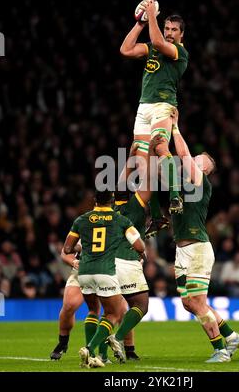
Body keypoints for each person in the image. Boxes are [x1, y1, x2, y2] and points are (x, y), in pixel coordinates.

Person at [170, 109, 239, 363]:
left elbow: (181, 154)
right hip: (181, 250)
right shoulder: (180, 184)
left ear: (205, 171)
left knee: (198, 302)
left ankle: (220, 350)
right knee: (188, 303)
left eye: (198, 161)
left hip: (198, 248)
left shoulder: (201, 182)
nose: (192, 161)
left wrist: (174, 127)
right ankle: (231, 336)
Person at [120, 0, 189, 234]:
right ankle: (158, 216)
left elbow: (159, 42)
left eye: (173, 30)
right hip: (143, 108)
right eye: (167, 28)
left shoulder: (179, 52)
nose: (169, 33)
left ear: (181, 35)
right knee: (144, 163)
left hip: (163, 105)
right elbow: (126, 50)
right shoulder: (151, 48)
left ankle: (175, 194)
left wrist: (152, 15)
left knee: (160, 146)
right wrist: (140, 22)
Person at [62, 189, 145, 368]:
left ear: (95, 200)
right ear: (112, 201)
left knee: (93, 310)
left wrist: (84, 245)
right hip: (105, 271)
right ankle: (91, 349)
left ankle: (99, 356)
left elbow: (67, 249)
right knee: (114, 313)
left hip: (84, 272)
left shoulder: (81, 219)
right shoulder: (120, 220)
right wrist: (140, 253)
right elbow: (139, 245)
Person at [107, 135, 162, 359]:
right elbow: (149, 179)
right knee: (140, 305)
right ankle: (117, 339)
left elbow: (122, 183)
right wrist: (149, 150)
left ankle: (100, 352)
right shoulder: (136, 208)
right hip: (128, 260)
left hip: (107, 262)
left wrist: (131, 157)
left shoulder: (115, 208)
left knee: (113, 311)